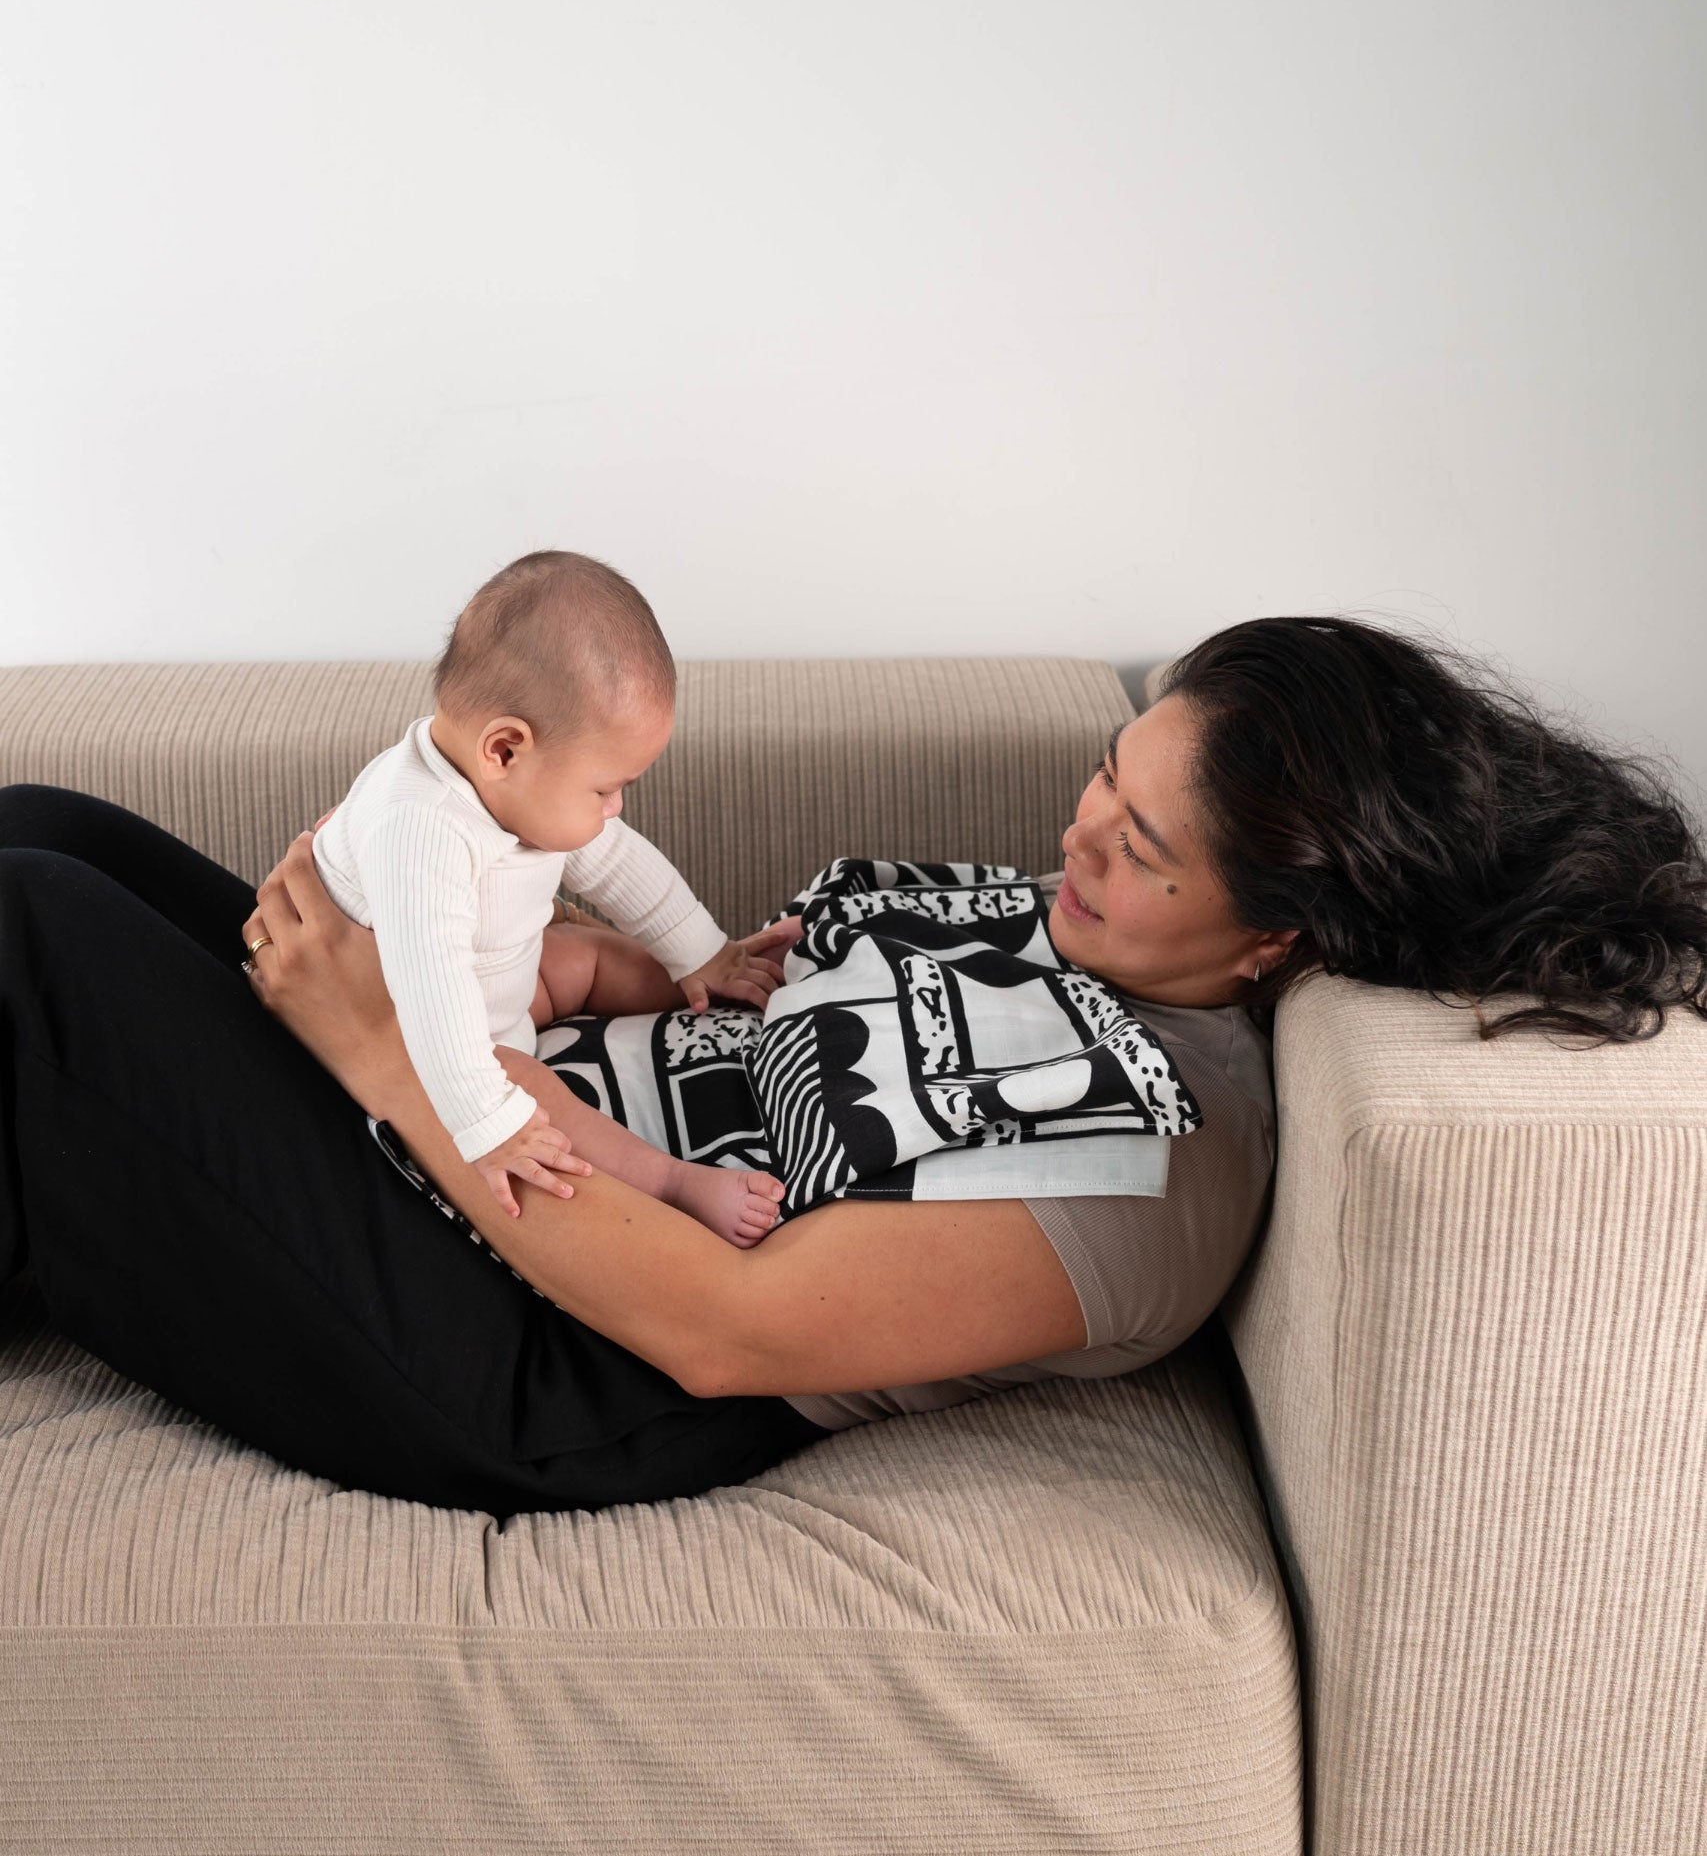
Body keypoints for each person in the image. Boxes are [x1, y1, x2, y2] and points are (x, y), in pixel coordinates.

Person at [1, 617, 1701, 1522]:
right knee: (48, 832)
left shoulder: (1153, 1171)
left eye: (1141, 848)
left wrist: (375, 1044)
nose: (1075, 841)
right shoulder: (1079, 930)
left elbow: (714, 1324)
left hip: (535, 1340)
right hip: (509, 1117)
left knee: (33, 939)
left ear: (1271, 940)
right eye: (1108, 780)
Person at [309, 549, 794, 1241]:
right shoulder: (417, 828)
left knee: (580, 955)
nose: (616, 807)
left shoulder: (514, 786)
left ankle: (716, 989)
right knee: (525, 1085)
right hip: (430, 1049)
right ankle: (670, 1180)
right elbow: (431, 991)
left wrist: (703, 952)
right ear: (504, 749)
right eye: (604, 788)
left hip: (504, 992)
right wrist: (485, 1123)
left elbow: (619, 866)